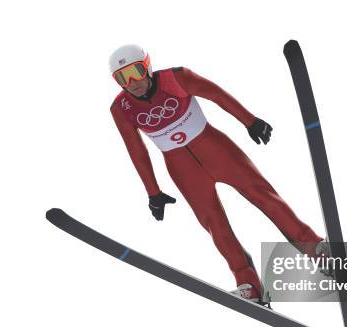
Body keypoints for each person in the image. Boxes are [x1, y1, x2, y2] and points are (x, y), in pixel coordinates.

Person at [109, 44, 323, 302]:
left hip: (217, 151)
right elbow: (136, 150)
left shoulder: (176, 78)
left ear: (147, 66)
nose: (131, 82)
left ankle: (316, 249)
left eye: (134, 72)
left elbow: (216, 95)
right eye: (122, 77)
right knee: (214, 224)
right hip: (182, 169)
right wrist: (153, 192)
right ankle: (249, 284)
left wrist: (249, 121)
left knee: (263, 196)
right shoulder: (121, 108)